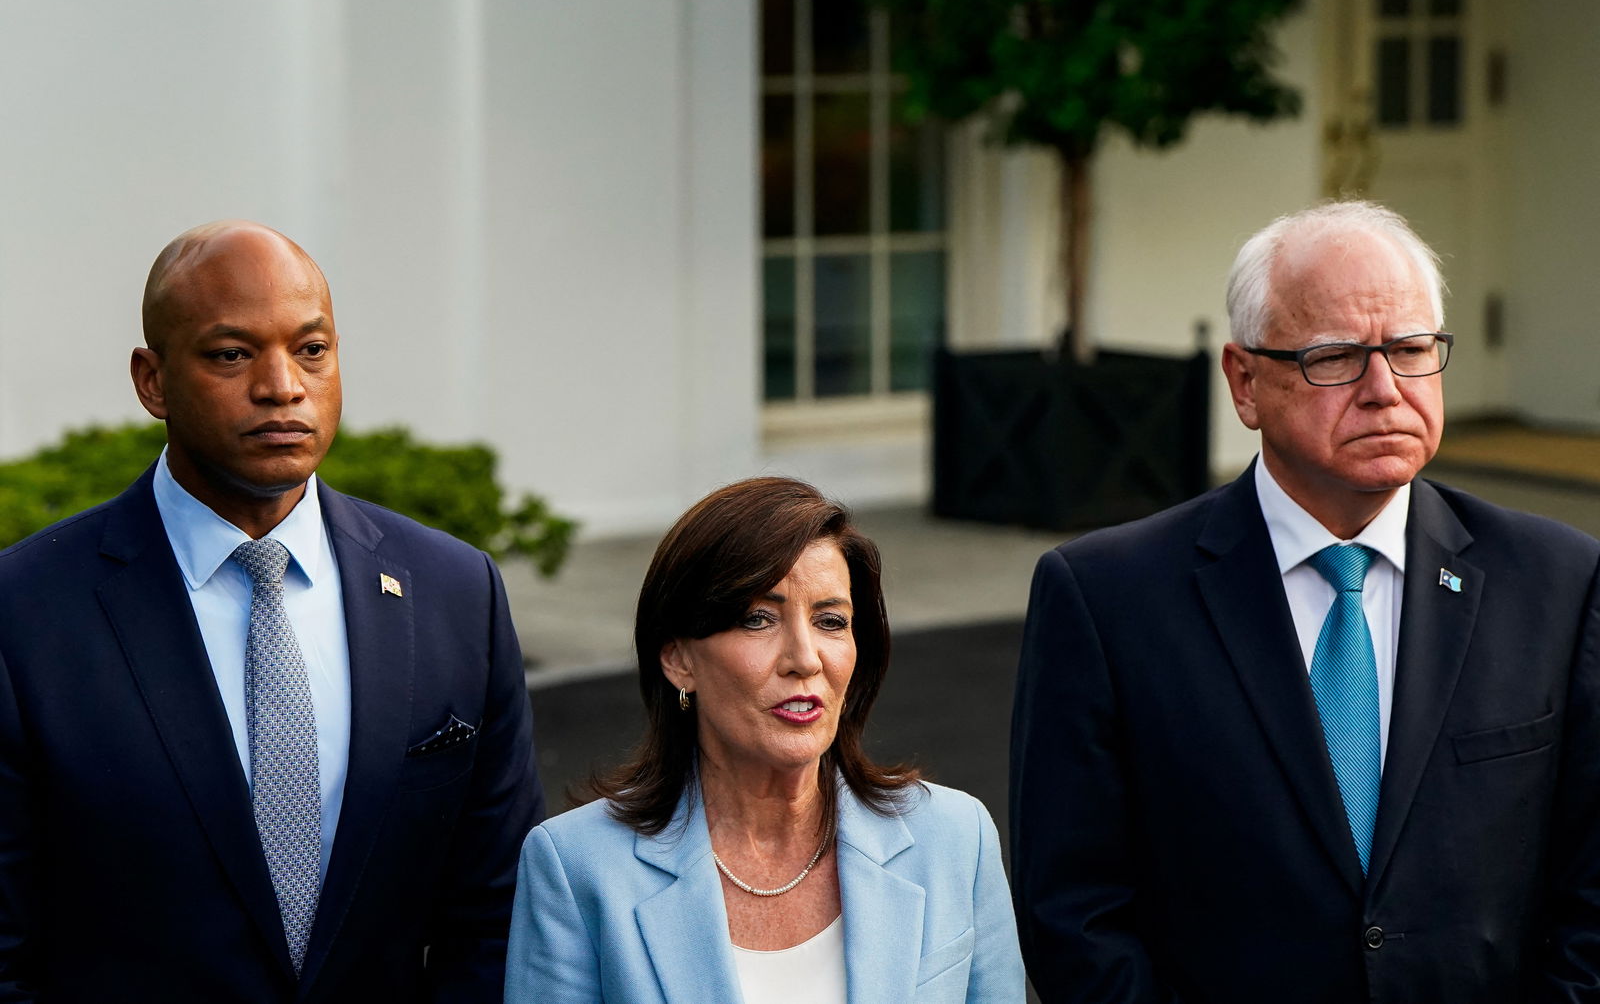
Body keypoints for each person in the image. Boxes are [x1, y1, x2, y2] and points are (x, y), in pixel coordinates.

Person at [1010, 200, 1600, 1002]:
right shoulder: (1107, 598)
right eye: (1336, 358)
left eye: (1412, 349)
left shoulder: (1557, 582)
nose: (1385, 389)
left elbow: (1592, 896)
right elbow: (1073, 914)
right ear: (1245, 382)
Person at [0, 220, 543, 1001]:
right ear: (152, 381)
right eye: (231, 354)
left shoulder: (456, 592)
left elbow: (495, 919)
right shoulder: (25, 616)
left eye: (311, 350)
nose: (282, 385)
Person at [504, 476, 1024, 1002]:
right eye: (758, 619)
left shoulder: (955, 838)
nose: (804, 658)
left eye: (830, 620)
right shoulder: (576, 867)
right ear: (678, 659)